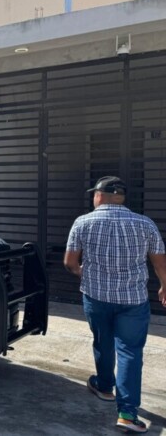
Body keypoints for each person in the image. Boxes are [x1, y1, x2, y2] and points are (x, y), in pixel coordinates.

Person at [64, 176, 166, 433]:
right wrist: (164, 284)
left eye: (94, 194)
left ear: (101, 195)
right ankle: (127, 414)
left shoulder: (83, 222)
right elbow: (159, 262)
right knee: (130, 351)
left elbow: (70, 262)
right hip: (133, 300)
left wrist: (82, 272)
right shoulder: (145, 223)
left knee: (103, 341)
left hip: (96, 297)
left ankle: (104, 386)